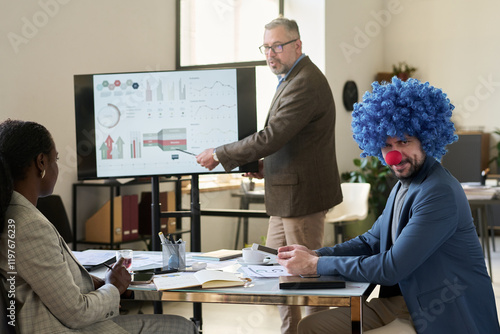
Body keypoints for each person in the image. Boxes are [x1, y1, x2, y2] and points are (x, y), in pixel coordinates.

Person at [277, 78, 500, 333]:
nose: (394, 155)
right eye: (386, 145)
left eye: (404, 142)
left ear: (426, 138)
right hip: (404, 300)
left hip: (440, 311)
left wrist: (315, 267)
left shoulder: (439, 192)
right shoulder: (403, 185)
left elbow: (391, 267)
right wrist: (316, 255)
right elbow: (370, 241)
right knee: (312, 326)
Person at [196, 17, 342, 334]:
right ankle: (291, 331)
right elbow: (290, 141)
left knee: (308, 275)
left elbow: (272, 136)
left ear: (297, 45)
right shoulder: (292, 78)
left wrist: (221, 153)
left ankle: (330, 329)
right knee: (280, 274)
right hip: (286, 195)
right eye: (266, 47)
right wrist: (266, 167)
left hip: (302, 198)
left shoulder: (305, 82)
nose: (270, 54)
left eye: (277, 46)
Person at [0, 119, 198, 334]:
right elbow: (76, 313)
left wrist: (96, 284)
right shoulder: (28, 224)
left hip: (62, 322)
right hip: (64, 329)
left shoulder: (15, 212)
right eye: (55, 159)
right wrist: (113, 286)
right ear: (41, 163)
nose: (57, 166)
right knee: (184, 327)